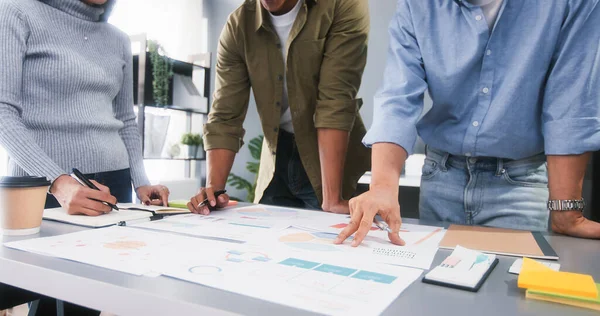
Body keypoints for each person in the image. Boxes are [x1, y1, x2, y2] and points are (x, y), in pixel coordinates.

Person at [336, 0, 600, 247]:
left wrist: (567, 212)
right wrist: (382, 186)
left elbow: (571, 103)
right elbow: (398, 97)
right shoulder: (418, 5)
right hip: (441, 175)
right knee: (433, 288)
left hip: (519, 185)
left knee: (509, 289)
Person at [0, 0, 170, 314]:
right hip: (44, 188)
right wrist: (58, 182)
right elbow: (2, 111)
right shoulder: (17, 12)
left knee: (91, 302)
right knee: (49, 298)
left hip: (113, 186)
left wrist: (142, 182)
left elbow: (126, 120)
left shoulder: (118, 38)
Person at [187, 0, 371, 215]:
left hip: (332, 162)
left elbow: (335, 101)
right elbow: (225, 115)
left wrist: (332, 199)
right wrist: (214, 192)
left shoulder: (343, 4)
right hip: (276, 159)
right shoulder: (238, 26)